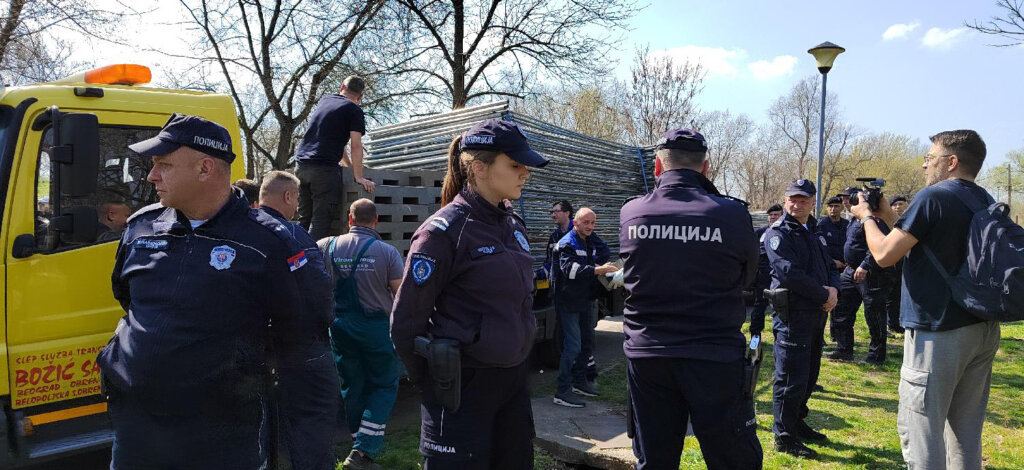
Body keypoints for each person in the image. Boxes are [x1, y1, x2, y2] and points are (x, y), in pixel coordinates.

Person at [98, 114, 331, 469]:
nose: (151, 176)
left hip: (223, 437)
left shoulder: (269, 242)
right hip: (137, 431)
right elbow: (128, 298)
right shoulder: (141, 228)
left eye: (163, 165)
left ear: (205, 168)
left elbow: (304, 335)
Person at [391, 118, 549, 468]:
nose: (525, 174)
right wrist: (437, 382)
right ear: (479, 167)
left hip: (512, 383)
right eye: (515, 165)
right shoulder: (443, 233)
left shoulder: (512, 224)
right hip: (462, 388)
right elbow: (405, 324)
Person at [851, 130, 1000, 469]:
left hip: (938, 332)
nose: (924, 165)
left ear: (952, 162)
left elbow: (884, 255)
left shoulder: (933, 196)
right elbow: (925, 243)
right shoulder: (984, 199)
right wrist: (887, 216)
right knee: (965, 432)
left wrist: (867, 218)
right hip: (981, 328)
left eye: (930, 158)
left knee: (922, 430)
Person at [619, 129, 762, 469]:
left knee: (655, 458)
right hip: (713, 354)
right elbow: (748, 277)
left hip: (649, 354)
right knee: (731, 459)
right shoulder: (732, 214)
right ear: (705, 167)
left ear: (657, 166)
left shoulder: (632, 212)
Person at [259, 170, 340, 470]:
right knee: (312, 429)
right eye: (295, 200)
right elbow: (317, 289)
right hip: (300, 350)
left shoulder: (242, 229)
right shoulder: (290, 234)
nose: (296, 207)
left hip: (255, 352)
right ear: (288, 196)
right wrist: (322, 327)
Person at [318, 198, 404, 470]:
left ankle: (360, 454)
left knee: (352, 386)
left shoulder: (326, 246)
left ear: (350, 219)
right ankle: (363, 450)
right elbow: (400, 296)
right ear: (376, 221)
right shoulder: (387, 252)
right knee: (385, 383)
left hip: (339, 328)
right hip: (375, 329)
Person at [763, 179, 840, 459]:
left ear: (812, 202)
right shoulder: (778, 233)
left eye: (803, 200)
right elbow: (788, 273)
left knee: (808, 375)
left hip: (816, 314)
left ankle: (796, 421)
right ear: (785, 201)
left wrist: (834, 289)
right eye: (792, 199)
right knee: (790, 378)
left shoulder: (814, 231)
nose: (797, 204)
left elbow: (830, 266)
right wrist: (824, 294)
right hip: (793, 315)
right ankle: (784, 436)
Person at [294, 76, 375, 240]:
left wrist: (349, 166)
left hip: (301, 165)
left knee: (304, 219)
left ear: (341, 87)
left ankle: (296, 255)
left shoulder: (325, 101)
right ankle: (312, 256)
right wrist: (358, 176)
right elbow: (356, 145)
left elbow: (335, 141)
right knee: (320, 221)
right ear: (360, 97)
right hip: (323, 170)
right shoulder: (354, 110)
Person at [551, 207, 615, 408]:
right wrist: (598, 269)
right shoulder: (566, 243)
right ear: (575, 223)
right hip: (568, 301)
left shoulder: (590, 238)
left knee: (588, 342)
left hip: (585, 299)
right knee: (573, 346)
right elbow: (569, 270)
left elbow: (604, 251)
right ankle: (562, 391)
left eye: (593, 223)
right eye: (586, 222)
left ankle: (579, 382)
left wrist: (603, 264)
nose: (590, 226)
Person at [828, 200, 894, 365]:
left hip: (869, 272)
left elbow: (880, 243)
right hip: (849, 270)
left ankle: (876, 356)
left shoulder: (874, 219)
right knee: (840, 309)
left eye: (849, 199)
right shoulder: (852, 219)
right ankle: (843, 349)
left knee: (874, 314)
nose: (845, 202)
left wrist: (865, 264)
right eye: (844, 199)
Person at [750, 203, 784, 337]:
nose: (773, 217)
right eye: (771, 215)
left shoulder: (786, 232)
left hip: (780, 275)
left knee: (780, 306)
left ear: (782, 216)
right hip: (763, 275)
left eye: (776, 215)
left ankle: (780, 337)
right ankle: (755, 338)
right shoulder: (761, 232)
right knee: (759, 306)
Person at [885, 195, 909, 336]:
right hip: (891, 263)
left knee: (900, 295)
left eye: (901, 204)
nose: (898, 207)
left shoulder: (911, 220)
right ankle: (890, 323)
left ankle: (897, 323)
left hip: (906, 264)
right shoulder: (886, 222)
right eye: (895, 205)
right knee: (889, 296)